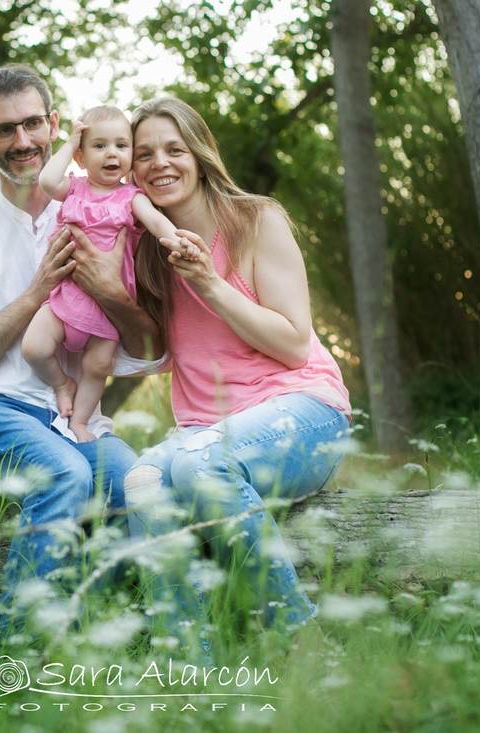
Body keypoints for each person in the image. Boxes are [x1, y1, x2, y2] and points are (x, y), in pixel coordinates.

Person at [0, 64, 163, 645]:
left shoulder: (101, 206)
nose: (23, 141)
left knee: (145, 490)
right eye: (5, 130)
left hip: (74, 420)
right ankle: (15, 663)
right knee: (66, 474)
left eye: (33, 124)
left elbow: (151, 354)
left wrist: (109, 293)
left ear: (56, 126)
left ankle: (97, 650)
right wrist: (35, 295)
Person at [122, 97, 352, 657]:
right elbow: (147, 351)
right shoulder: (146, 249)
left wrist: (210, 285)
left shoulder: (256, 220)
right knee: (141, 482)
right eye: (144, 153)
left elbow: (295, 343)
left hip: (304, 411)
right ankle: (187, 665)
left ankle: (303, 649)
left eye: (174, 149)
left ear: (199, 156)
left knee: (198, 465)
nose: (160, 163)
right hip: (203, 432)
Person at [23, 105, 177, 443]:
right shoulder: (74, 189)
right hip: (67, 298)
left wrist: (177, 241)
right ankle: (62, 384)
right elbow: (47, 179)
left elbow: (156, 222)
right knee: (33, 347)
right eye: (100, 146)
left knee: (98, 367)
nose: (112, 154)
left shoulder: (130, 197)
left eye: (122, 146)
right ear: (80, 157)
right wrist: (70, 141)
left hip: (106, 308)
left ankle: (80, 421)